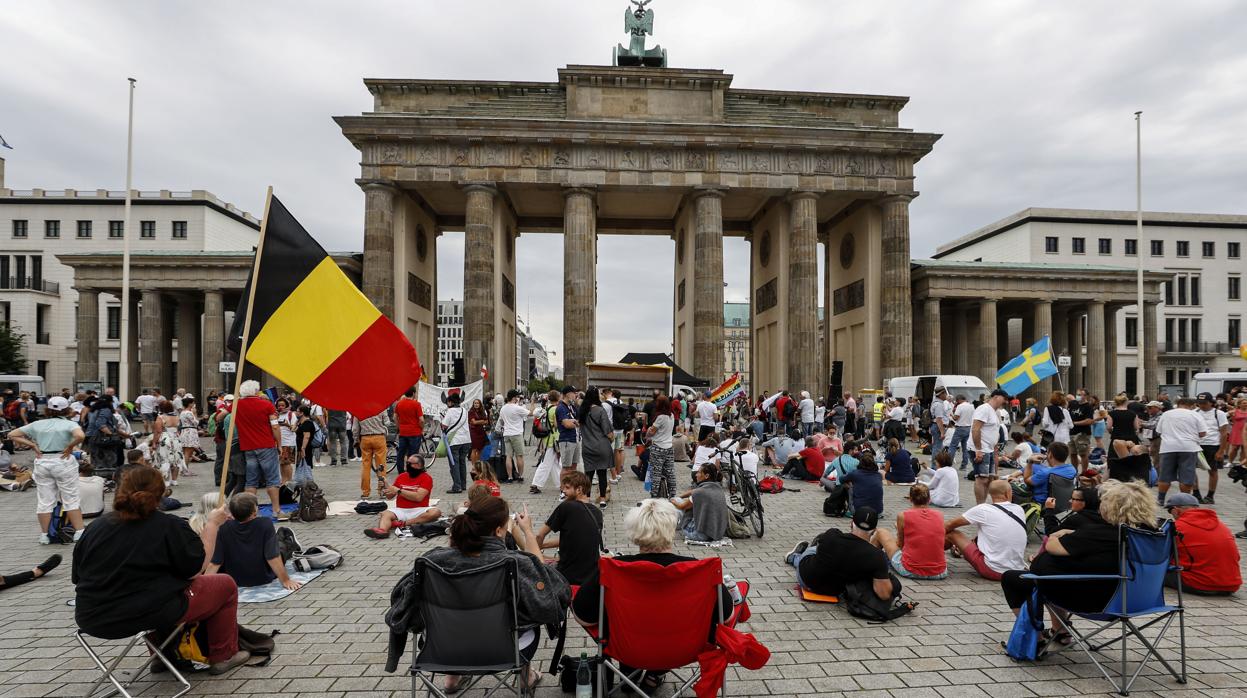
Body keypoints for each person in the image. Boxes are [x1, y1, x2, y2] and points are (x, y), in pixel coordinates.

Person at [72, 466, 251, 674]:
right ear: (160, 493)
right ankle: (223, 655)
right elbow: (195, 571)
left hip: (92, 617)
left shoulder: (95, 528)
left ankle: (162, 656)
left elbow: (77, 577)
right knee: (224, 584)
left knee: (156, 591)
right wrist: (212, 525)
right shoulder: (169, 525)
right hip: (145, 613)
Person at [572, 498, 735, 698]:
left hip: (627, 648)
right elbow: (726, 617)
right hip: (687, 649)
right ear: (672, 527)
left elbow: (583, 616)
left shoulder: (613, 569)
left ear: (634, 531)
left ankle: (630, 671)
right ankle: (653, 673)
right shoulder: (700, 570)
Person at [430, 496, 571, 694]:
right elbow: (555, 594)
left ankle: (452, 677)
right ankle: (526, 678)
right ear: (498, 531)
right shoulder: (516, 563)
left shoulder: (432, 562)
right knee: (525, 612)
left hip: (443, 650)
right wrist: (528, 533)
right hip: (506, 651)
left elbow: (403, 611)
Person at [999, 480, 1159, 646]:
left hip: (1099, 602)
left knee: (1016, 579)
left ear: (1111, 507)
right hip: (1142, 599)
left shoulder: (1101, 532)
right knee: (1053, 576)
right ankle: (1059, 631)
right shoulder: (1151, 535)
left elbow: (1052, 546)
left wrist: (1055, 536)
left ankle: (1035, 640)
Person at [9, 396, 86, 543]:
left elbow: (12, 434)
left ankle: (44, 535)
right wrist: (70, 446)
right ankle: (79, 531)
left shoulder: (37, 424)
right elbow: (80, 436)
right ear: (67, 409)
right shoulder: (69, 424)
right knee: (70, 498)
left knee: (45, 500)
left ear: (48, 409)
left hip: (43, 460)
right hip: (63, 460)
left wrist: (32, 445)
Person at [785, 507, 901, 601]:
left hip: (806, 580)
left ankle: (793, 557)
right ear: (874, 530)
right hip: (835, 591)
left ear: (851, 523)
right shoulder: (876, 556)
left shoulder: (832, 535)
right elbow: (884, 595)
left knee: (813, 551)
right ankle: (798, 556)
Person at [204, 493, 301, 591]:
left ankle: (284, 536)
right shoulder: (265, 523)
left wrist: (203, 587)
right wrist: (285, 580)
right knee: (281, 549)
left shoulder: (223, 527)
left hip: (235, 580)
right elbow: (272, 556)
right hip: (263, 577)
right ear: (254, 511)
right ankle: (288, 538)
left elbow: (215, 562)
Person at [945, 480, 1028, 581]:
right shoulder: (1019, 509)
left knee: (953, 534)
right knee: (987, 533)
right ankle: (957, 550)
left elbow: (949, 525)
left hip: (993, 570)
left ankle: (931, 557)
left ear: (990, 494)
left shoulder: (983, 509)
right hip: (1016, 571)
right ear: (1008, 493)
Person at [535, 471, 603, 585]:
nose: (564, 491)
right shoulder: (598, 513)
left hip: (567, 576)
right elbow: (577, 539)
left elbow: (539, 535)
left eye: (567, 488)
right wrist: (543, 545)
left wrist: (536, 553)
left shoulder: (567, 506)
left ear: (579, 490)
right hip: (591, 576)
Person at [1164, 493, 1240, 595]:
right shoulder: (1222, 526)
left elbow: (1161, 555)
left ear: (1175, 510)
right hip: (1232, 584)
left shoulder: (1178, 527)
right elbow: (1237, 557)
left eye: (1170, 511)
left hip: (1202, 584)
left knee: (1153, 572)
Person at [871, 484, 948, 580]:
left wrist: (899, 532)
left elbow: (900, 545)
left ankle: (868, 562)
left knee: (881, 532)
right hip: (940, 571)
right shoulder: (939, 515)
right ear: (929, 499)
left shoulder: (903, 515)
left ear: (910, 499)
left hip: (911, 570)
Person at [235, 380, 285, 520]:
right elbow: (275, 426)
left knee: (251, 481)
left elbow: (220, 416)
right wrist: (279, 444)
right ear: (256, 391)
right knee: (272, 479)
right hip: (266, 445)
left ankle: (250, 512)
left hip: (248, 447)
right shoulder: (266, 405)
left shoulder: (236, 405)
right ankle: (276, 510)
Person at [364, 454, 443, 538]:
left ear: (419, 465)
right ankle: (382, 531)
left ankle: (403, 523)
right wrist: (386, 486)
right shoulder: (401, 476)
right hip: (401, 510)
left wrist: (398, 491)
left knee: (435, 512)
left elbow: (418, 497)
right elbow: (390, 496)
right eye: (407, 463)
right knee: (385, 513)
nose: (407, 465)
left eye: (410, 463)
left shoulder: (426, 478)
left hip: (419, 509)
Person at [1155, 396, 1207, 505]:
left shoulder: (1166, 414)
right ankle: (1184, 501)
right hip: (1188, 448)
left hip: (1168, 447)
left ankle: (1160, 499)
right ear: (1192, 405)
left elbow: (1158, 431)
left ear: (1178, 404)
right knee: (1186, 476)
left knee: (1164, 476)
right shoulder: (1195, 415)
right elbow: (1203, 433)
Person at [672, 461, 729, 542]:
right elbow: (693, 491)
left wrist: (673, 500)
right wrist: (680, 496)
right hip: (717, 533)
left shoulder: (699, 493)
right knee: (684, 501)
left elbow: (682, 506)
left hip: (700, 535)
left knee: (679, 505)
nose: (696, 475)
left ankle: (672, 526)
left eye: (698, 472)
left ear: (706, 476)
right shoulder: (718, 489)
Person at [577, 387, 614, 508]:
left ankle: (586, 499)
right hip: (601, 446)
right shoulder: (600, 410)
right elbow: (607, 431)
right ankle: (602, 500)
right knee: (602, 474)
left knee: (588, 474)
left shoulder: (581, 411)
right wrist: (611, 438)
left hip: (587, 447)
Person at [970, 389, 1007, 504]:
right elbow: (976, 429)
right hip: (981, 449)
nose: (1005, 401)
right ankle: (980, 506)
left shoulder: (995, 412)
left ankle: (984, 504)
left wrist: (995, 454)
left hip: (990, 449)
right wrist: (978, 449)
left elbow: (993, 432)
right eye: (1004, 398)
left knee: (990, 478)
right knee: (982, 479)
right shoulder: (984, 409)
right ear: (996, 397)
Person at [1193, 392, 1230, 504]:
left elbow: (1224, 433)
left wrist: (1221, 451)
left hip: (1212, 445)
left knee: (1212, 470)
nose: (1202, 405)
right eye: (1199, 403)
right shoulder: (1194, 413)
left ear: (1211, 403)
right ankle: (1196, 494)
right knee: (1191, 470)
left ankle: (1210, 495)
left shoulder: (1219, 414)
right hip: (1196, 445)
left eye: (1204, 403)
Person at [529, 390, 562, 496]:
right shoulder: (555, 409)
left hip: (547, 439)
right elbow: (557, 425)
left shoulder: (547, 408)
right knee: (546, 463)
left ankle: (560, 484)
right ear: (558, 398)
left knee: (555, 464)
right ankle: (535, 484)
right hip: (553, 439)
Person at [646, 394, 677, 499]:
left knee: (656, 473)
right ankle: (673, 494)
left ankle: (654, 495)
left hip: (658, 447)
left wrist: (649, 430)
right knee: (670, 472)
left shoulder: (660, 417)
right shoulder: (671, 415)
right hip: (669, 447)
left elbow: (652, 432)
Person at [355, 408, 390, 500]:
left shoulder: (358, 409)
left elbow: (355, 428)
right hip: (379, 437)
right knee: (381, 465)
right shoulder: (381, 407)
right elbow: (387, 422)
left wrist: (356, 439)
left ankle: (365, 492)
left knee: (366, 466)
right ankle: (382, 490)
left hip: (365, 438)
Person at [440, 393, 472, 494]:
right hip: (466, 440)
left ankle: (457, 486)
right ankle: (463, 485)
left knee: (454, 464)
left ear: (450, 402)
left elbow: (444, 425)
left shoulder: (450, 411)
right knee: (462, 463)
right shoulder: (464, 410)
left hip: (455, 441)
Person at [500, 390, 532, 483]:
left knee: (509, 456)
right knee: (519, 456)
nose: (518, 399)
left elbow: (501, 421)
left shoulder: (503, 408)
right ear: (514, 398)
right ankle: (520, 476)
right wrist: (533, 402)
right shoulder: (517, 408)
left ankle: (510, 477)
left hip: (507, 434)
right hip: (516, 434)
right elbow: (530, 413)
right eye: (517, 397)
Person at [152, 399, 187, 485]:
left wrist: (154, 442)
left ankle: (166, 480)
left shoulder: (161, 417)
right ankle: (174, 480)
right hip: (176, 438)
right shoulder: (177, 417)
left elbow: (158, 431)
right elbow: (179, 428)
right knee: (176, 459)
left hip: (165, 438)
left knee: (164, 459)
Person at [555, 386, 582, 476]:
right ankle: (563, 489)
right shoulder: (561, 407)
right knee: (566, 468)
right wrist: (574, 422)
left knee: (574, 466)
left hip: (576, 439)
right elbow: (567, 425)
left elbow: (580, 421)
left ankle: (571, 487)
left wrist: (574, 421)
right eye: (574, 393)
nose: (576, 395)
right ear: (567, 394)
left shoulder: (572, 407)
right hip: (567, 440)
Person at [947, 395, 975, 469]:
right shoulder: (971, 406)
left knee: (952, 446)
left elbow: (956, 418)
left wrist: (951, 416)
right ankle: (964, 465)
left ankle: (948, 464)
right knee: (965, 448)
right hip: (969, 428)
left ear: (959, 400)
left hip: (960, 428)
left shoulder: (960, 406)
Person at [178, 398, 201, 475]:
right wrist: (195, 414)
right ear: (190, 404)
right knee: (188, 452)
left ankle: (183, 469)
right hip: (190, 432)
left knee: (185, 452)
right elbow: (195, 423)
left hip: (184, 431)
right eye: (192, 403)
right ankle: (185, 470)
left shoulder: (182, 412)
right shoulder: (189, 413)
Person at [1225, 397, 1247, 467]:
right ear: (1239, 404)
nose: (1245, 404)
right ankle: (1230, 461)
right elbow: (1223, 417)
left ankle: (1242, 463)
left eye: (1246, 403)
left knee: (1244, 448)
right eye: (1244, 403)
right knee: (1234, 448)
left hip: (1245, 431)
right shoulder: (1234, 411)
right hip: (1236, 431)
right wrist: (1229, 422)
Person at [467, 398, 490, 466]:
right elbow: (473, 422)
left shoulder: (482, 411)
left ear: (480, 404)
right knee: (474, 449)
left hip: (481, 431)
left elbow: (487, 421)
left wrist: (480, 422)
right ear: (473, 404)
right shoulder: (471, 412)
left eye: (477, 403)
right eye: (475, 403)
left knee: (480, 449)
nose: (476, 404)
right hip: (474, 432)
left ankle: (477, 463)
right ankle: (474, 465)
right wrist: (482, 421)